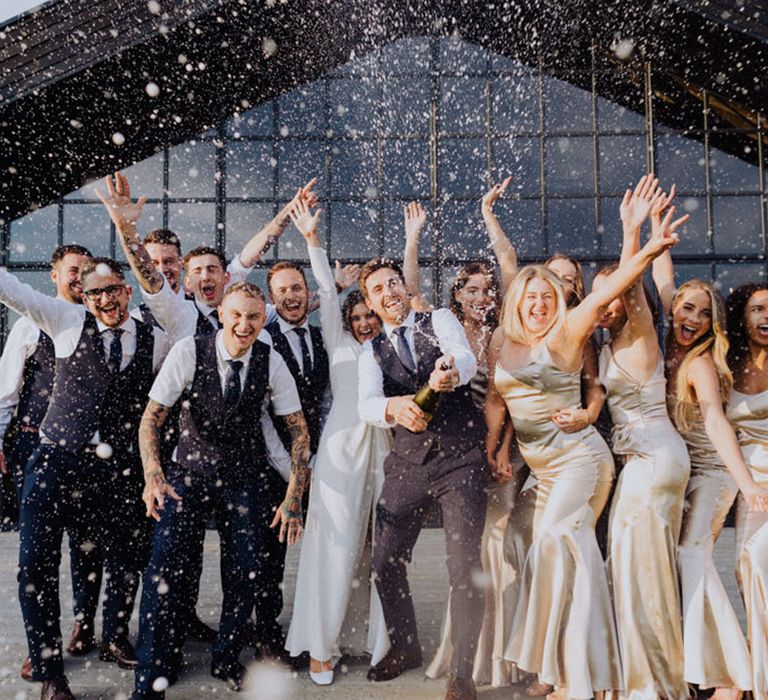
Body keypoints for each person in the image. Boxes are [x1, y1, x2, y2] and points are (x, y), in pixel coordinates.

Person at [486, 222, 680, 700]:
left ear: (558, 302)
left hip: (582, 462)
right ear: (516, 301)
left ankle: (578, 675)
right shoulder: (502, 341)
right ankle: (565, 668)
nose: (539, 305)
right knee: (551, 558)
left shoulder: (568, 332)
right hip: (544, 469)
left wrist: (643, 244)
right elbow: (496, 399)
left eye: (547, 297)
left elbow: (610, 290)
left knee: (554, 545)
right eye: (530, 297)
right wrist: (495, 448)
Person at [0, 257, 170, 700]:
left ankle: (114, 634)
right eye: (95, 292)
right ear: (83, 295)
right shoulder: (64, 320)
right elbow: (10, 290)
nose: (105, 299)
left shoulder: (157, 338)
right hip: (55, 462)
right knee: (36, 568)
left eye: (113, 289)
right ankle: (49, 671)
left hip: (116, 473)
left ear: (127, 291)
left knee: (125, 558)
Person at [130, 282, 310, 699]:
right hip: (187, 473)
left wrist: (294, 494)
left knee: (247, 569)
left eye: (252, 316)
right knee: (164, 567)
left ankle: (226, 657)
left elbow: (298, 431)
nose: (244, 325)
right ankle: (151, 673)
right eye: (236, 315)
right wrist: (153, 473)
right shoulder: (189, 351)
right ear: (223, 315)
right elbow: (151, 419)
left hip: (244, 475)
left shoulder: (271, 361)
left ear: (261, 318)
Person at [650, 186, 768, 699]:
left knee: (692, 557)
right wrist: (658, 240)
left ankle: (732, 676)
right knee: (682, 559)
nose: (691, 317)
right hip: (687, 475)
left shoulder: (699, 362)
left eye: (702, 313)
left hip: (716, 474)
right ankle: (706, 666)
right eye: (685, 308)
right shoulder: (665, 347)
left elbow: (720, 425)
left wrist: (747, 485)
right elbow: (662, 285)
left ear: (713, 323)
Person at [402, 194, 524, 689]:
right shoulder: (442, 328)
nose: (481, 296)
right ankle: (467, 659)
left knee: (497, 552)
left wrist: (489, 217)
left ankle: (500, 656)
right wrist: (412, 238)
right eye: (471, 288)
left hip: (496, 450)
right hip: (455, 455)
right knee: (470, 558)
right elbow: (410, 292)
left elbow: (512, 267)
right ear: (459, 294)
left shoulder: (503, 334)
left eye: (487, 289)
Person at [358, 257, 486, 700]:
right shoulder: (369, 351)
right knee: (384, 561)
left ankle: (463, 673)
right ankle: (406, 646)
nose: (389, 292)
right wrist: (393, 409)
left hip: (460, 457)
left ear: (404, 288)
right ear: (370, 303)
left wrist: (452, 370)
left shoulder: (441, 320)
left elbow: (465, 357)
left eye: (394, 283)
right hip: (408, 465)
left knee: (464, 566)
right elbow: (366, 404)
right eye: (379, 289)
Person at [284, 199, 392, 684]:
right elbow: (327, 291)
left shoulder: (396, 343)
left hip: (387, 449)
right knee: (335, 545)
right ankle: (319, 648)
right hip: (342, 451)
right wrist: (312, 240)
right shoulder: (338, 343)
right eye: (359, 315)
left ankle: (379, 644)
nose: (366, 322)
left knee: (382, 551)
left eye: (373, 315)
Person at [594, 175, 691, 700]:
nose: (601, 304)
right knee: (639, 567)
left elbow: (635, 284)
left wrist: (633, 235)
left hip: (652, 461)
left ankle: (653, 683)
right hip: (650, 460)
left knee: (641, 571)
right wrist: (653, 237)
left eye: (608, 296)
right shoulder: (615, 344)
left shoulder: (638, 332)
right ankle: (651, 671)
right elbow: (662, 285)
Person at [0, 245, 107, 682]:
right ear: (55, 276)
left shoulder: (103, 323)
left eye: (87, 271)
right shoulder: (29, 327)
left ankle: (84, 623)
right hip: (36, 451)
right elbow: (7, 391)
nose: (80, 278)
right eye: (72, 271)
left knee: (87, 548)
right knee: (38, 557)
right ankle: (43, 651)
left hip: (89, 456)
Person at [726, 282, 768, 700]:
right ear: (743, 316)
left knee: (761, 559)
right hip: (748, 486)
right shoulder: (727, 363)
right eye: (757, 309)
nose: (765, 317)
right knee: (747, 571)